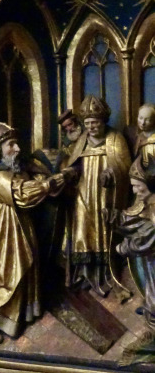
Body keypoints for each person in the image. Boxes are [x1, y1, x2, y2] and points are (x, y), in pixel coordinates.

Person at [0, 121, 66, 344]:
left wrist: (48, 179)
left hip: (21, 226)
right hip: (5, 232)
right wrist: (47, 185)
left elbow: (33, 180)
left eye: (17, 143)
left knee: (28, 267)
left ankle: (20, 317)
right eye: (11, 145)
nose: (17, 148)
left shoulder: (16, 169)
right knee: (11, 274)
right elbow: (21, 195)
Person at [64, 95, 131, 296]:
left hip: (105, 194)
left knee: (103, 230)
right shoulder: (82, 141)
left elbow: (124, 166)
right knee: (82, 230)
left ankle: (104, 274)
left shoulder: (115, 138)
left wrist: (111, 173)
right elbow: (75, 163)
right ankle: (84, 274)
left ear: (103, 121)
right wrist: (71, 172)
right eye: (87, 123)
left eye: (95, 123)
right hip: (83, 193)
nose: (91, 127)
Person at [107, 158, 155, 328]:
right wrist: (117, 219)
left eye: (137, 186)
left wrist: (124, 247)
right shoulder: (149, 205)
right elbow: (139, 224)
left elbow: (147, 238)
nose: (134, 191)